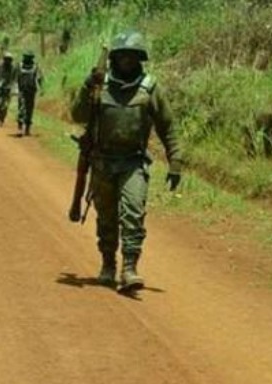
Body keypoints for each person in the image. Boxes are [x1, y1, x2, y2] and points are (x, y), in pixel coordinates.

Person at [70, 30, 184, 292]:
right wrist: (87, 86)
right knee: (106, 217)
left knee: (133, 213)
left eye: (132, 56)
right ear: (115, 58)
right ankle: (108, 264)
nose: (127, 60)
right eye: (122, 55)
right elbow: (78, 115)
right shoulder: (99, 86)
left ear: (139, 58)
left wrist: (175, 160)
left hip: (133, 162)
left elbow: (168, 126)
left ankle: (130, 268)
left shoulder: (149, 88)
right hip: (102, 162)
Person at [16, 50, 43, 136]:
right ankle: (20, 124)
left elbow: (39, 78)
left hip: (31, 91)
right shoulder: (19, 66)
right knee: (21, 107)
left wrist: (41, 88)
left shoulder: (35, 67)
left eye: (29, 57)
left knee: (29, 110)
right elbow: (15, 77)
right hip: (22, 90)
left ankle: (27, 128)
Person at [0, 51, 17, 126]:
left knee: (5, 106)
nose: (7, 61)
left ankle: (2, 119)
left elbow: (14, 79)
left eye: (9, 60)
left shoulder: (13, 68)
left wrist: (13, 87)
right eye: (6, 59)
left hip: (8, 88)